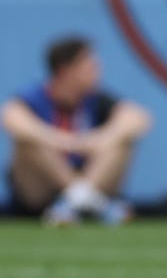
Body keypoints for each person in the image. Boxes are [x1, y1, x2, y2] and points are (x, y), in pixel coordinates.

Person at [2, 36, 151, 225]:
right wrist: (63, 141)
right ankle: (88, 202)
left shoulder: (96, 99)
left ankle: (72, 204)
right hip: (39, 191)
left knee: (121, 142)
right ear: (66, 71)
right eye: (89, 67)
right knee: (29, 142)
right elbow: (11, 117)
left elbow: (139, 118)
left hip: (89, 177)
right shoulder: (36, 97)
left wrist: (95, 140)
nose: (97, 72)